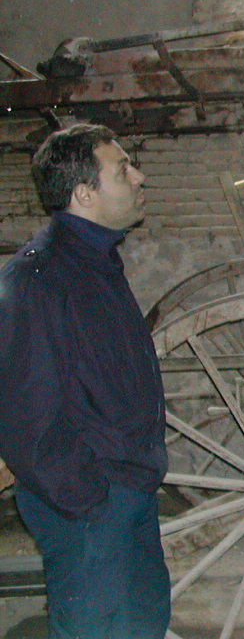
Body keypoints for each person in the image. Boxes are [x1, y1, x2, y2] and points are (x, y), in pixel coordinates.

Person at [0, 124, 170, 638]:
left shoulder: (95, 262)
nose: (139, 176)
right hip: (89, 503)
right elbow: (27, 415)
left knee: (142, 624)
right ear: (84, 193)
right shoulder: (39, 279)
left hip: (126, 487)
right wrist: (89, 500)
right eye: (122, 169)